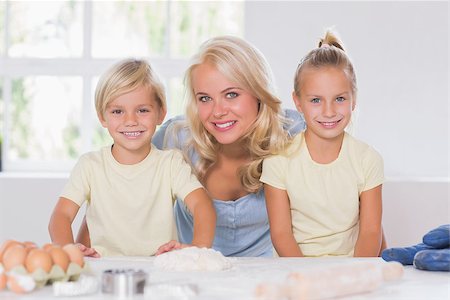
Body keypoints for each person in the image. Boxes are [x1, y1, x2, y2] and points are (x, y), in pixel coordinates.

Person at [152, 36, 306, 257]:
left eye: (231, 94)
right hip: (196, 275)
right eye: (205, 98)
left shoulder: (293, 133)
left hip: (271, 278)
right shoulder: (177, 138)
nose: (218, 111)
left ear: (259, 92)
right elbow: (116, 181)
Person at [48, 58, 216, 257]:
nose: (130, 121)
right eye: (118, 111)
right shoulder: (90, 166)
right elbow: (60, 216)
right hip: (105, 270)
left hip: (159, 270)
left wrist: (197, 250)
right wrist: (69, 251)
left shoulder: (170, 163)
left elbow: (203, 206)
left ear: (161, 113)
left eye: (142, 110)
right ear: (102, 116)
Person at [260, 30, 384, 257]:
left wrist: (353, 279)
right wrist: (309, 284)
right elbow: (281, 235)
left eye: (339, 99)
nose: (329, 112)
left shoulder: (367, 159)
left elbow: (371, 232)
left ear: (353, 100)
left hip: (353, 273)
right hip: (298, 274)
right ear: (298, 102)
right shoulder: (278, 162)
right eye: (316, 100)